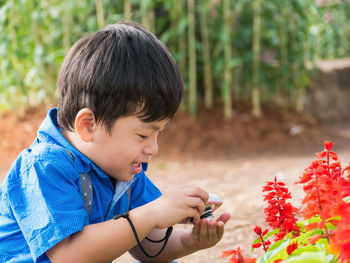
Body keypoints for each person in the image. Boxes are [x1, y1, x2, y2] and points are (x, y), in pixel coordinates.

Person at [0, 21, 231, 263]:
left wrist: (189, 241)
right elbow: (69, 256)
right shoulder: (45, 167)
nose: (153, 149)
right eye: (143, 135)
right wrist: (152, 212)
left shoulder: (123, 171)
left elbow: (148, 244)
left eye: (158, 134)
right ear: (88, 125)